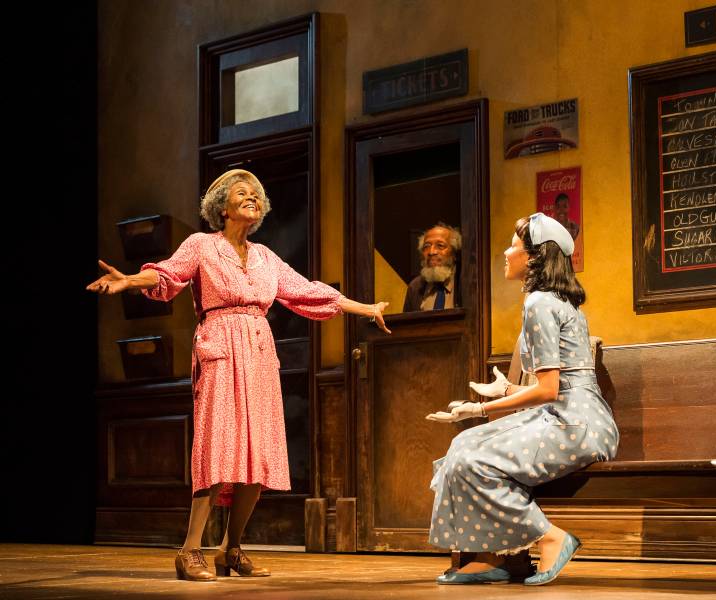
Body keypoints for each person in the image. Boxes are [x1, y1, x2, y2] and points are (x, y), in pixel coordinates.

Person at [87, 169, 391, 581]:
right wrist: (129, 281)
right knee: (217, 448)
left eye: (256, 194)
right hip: (220, 348)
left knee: (257, 453)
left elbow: (310, 290)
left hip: (260, 353)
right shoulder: (202, 246)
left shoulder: (266, 257)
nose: (252, 198)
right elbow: (166, 275)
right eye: (242, 193)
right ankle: (190, 549)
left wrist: (366, 309)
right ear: (222, 208)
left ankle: (232, 549)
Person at [425, 212, 618, 586]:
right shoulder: (553, 300)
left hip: (574, 424)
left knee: (473, 457)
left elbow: (549, 390)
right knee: (465, 444)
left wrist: (480, 408)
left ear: (533, 257)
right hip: (572, 415)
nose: (506, 251)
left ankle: (549, 537)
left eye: (514, 246)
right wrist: (507, 391)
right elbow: (558, 381)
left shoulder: (540, 303)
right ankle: (496, 559)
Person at [402, 223, 461, 312]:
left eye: (440, 245)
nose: (431, 252)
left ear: (454, 253)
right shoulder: (415, 287)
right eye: (427, 246)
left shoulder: (466, 283)